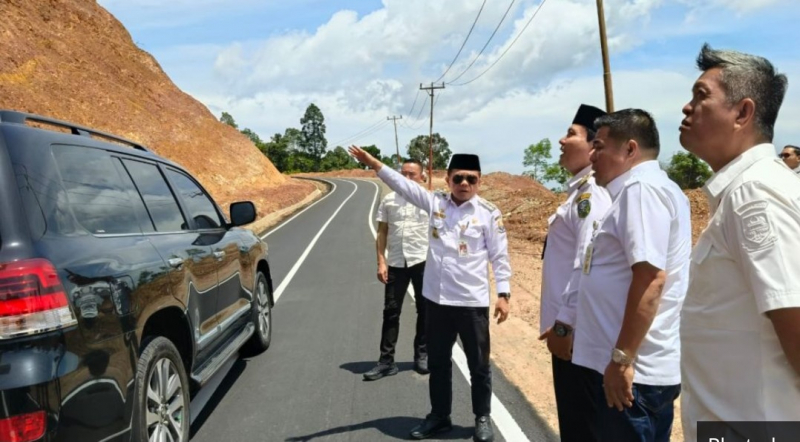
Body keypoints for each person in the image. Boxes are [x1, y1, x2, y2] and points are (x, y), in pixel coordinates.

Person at [348, 146, 511, 442]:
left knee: (479, 366)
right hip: (437, 301)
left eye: (471, 179)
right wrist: (371, 162)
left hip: (472, 304)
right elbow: (402, 184)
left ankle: (482, 417)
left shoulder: (489, 213)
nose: (464, 184)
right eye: (458, 178)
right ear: (447, 179)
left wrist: (504, 292)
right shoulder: (435, 203)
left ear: (479, 181)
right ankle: (439, 416)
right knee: (438, 363)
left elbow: (500, 256)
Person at [678, 44, 800, 440]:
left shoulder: (754, 196)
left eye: (700, 96)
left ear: (743, 113)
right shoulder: (745, 191)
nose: (686, 107)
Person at [562, 109, 690, 441]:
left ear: (630, 149)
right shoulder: (648, 189)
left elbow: (651, 279)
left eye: (600, 146)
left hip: (633, 377)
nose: (592, 154)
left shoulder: (641, 190)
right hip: (639, 373)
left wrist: (621, 361)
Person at [537, 104, 612, 442]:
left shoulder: (591, 195)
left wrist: (565, 324)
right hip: (572, 334)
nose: (561, 140)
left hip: (577, 336)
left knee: (583, 427)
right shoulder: (577, 193)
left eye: (571, 133)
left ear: (595, 145)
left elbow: (588, 261)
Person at [363, 159, 430, 381]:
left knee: (425, 311)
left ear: (422, 176)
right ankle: (386, 361)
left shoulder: (428, 201)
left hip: (423, 263)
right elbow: (381, 232)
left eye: (412, 174)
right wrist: (381, 262)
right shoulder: (389, 200)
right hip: (396, 264)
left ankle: (422, 355)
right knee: (391, 312)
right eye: (403, 174)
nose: (407, 178)